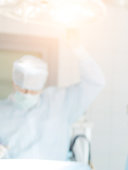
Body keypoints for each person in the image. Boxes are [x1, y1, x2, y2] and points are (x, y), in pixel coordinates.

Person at [0, 30, 105, 160]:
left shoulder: (60, 103)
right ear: (14, 83)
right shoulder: (2, 112)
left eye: (33, 90)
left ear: (41, 86)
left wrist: (79, 50)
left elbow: (95, 82)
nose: (27, 94)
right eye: (23, 89)